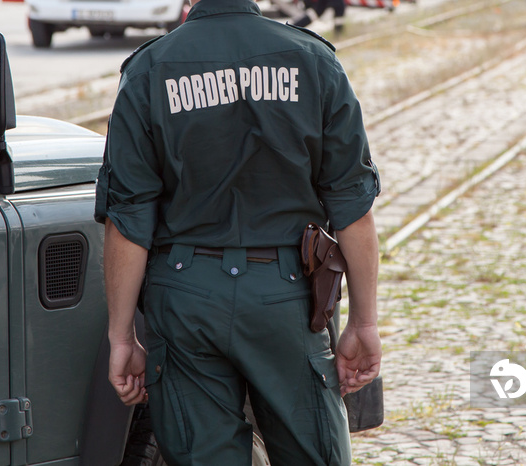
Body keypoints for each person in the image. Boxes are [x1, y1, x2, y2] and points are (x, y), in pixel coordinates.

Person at [94, 0, 381, 464]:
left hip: (184, 297)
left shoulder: (149, 69)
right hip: (287, 295)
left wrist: (122, 337)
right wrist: (364, 323)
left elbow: (128, 219)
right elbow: (353, 210)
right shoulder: (312, 60)